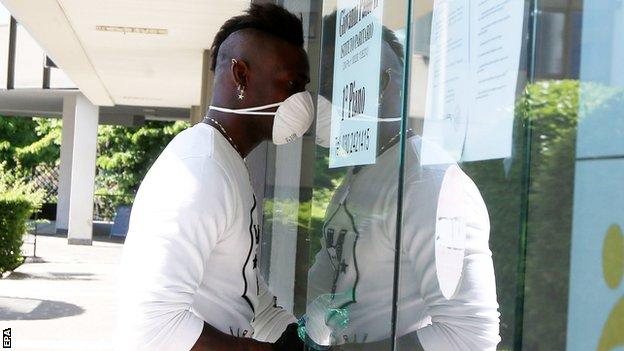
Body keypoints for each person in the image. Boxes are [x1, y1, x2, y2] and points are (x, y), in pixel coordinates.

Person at [113, 4, 312, 351]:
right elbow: (156, 325)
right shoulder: (200, 168)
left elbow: (237, 283)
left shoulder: (224, 158)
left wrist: (292, 334)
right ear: (242, 75)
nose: (302, 102)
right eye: (292, 84)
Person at [300, 14, 500, 350]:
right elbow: (325, 292)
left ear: (386, 86)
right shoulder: (360, 175)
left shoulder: (428, 183)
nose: (322, 100)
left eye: (336, 84)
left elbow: (469, 336)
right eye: (321, 86)